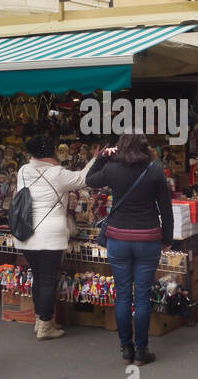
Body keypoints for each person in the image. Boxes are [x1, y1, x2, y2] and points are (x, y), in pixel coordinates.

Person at [87, 134, 174, 366]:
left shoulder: (112, 169)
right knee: (142, 296)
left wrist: (102, 158)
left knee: (123, 294)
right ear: (145, 147)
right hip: (148, 238)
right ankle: (141, 351)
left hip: (118, 239)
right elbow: (166, 208)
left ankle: (126, 349)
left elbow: (90, 179)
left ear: (120, 147)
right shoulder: (154, 170)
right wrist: (167, 238)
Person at [14, 134, 97, 340]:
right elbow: (83, 179)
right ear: (50, 153)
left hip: (26, 234)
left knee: (38, 277)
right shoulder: (58, 173)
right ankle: (45, 326)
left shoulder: (23, 170)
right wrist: (96, 158)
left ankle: (40, 320)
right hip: (49, 236)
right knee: (48, 280)